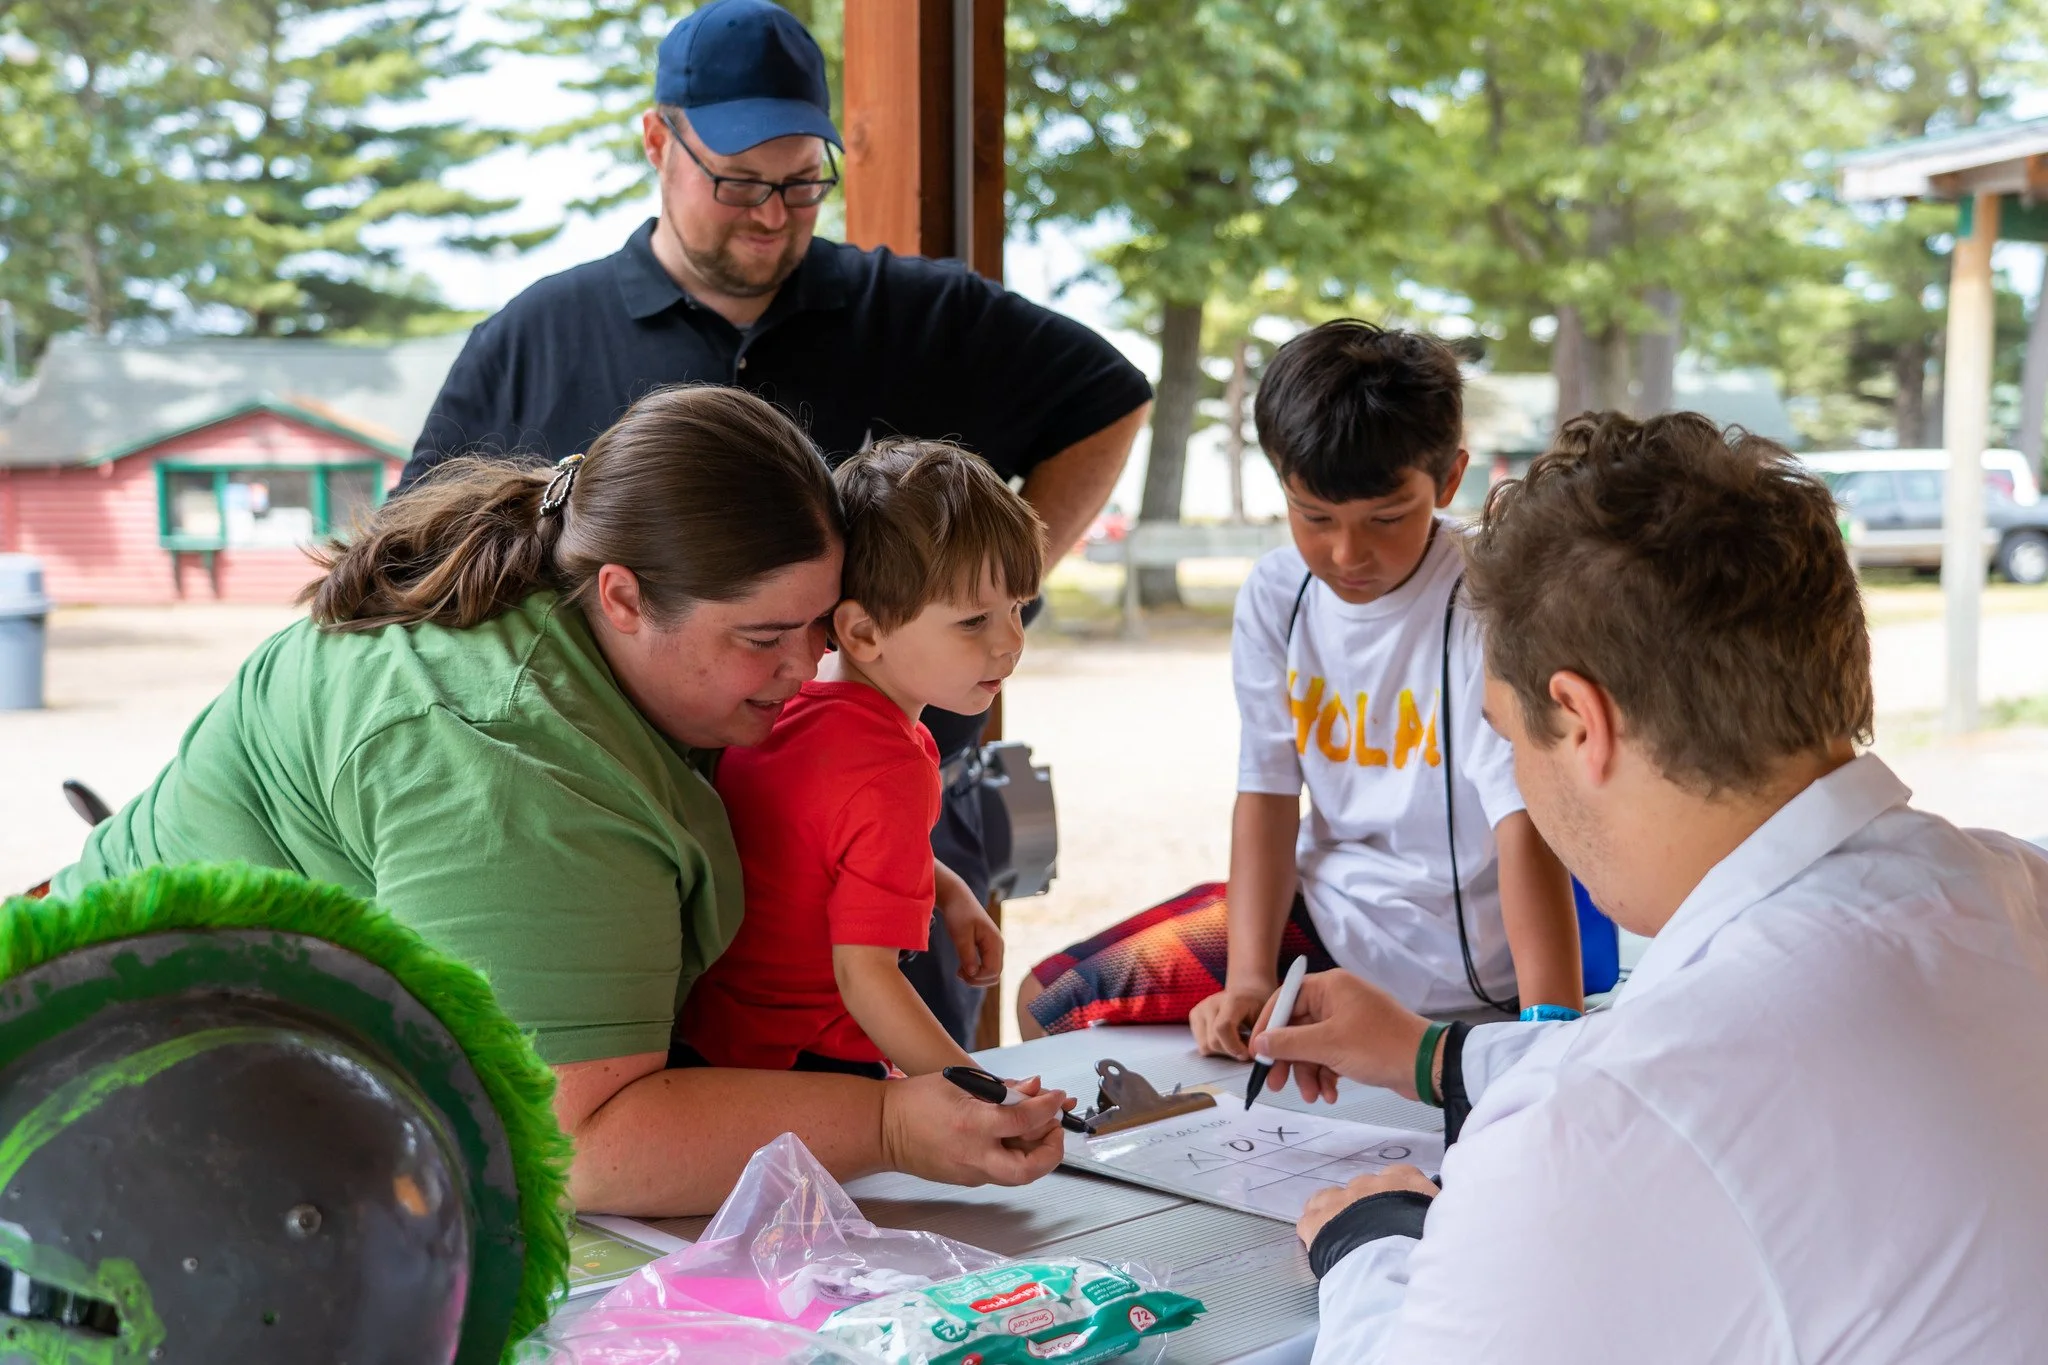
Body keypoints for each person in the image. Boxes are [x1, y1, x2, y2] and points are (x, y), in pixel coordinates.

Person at [48, 384, 1071, 1216]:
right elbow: (577, 1144)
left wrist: (914, 873)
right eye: (762, 638)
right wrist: (890, 1129)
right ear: (625, 597)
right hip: (124, 1112)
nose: (808, 670)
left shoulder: (564, 575)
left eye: (818, 630)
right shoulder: (513, 758)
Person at [403, 0, 1153, 1043]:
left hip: (881, 813)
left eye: (804, 184)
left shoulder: (916, 310)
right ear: (658, 141)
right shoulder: (536, 334)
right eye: (741, 183)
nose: (772, 214)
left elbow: (1107, 395)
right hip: (626, 833)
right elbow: (416, 565)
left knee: (905, 1105)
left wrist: (985, 589)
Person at [1255, 411, 2048, 1363]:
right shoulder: (2013, 888)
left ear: (1581, 722)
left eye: (1508, 737)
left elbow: (1659, 1087)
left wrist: (1368, 1237)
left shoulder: (1601, 1127)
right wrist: (1437, 1057)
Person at [1020, 321, 1583, 1045]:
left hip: (1454, 956)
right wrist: (1250, 978)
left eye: (1387, 518)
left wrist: (1550, 1030)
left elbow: (1523, 822)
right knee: (1046, 1001)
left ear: (1447, 479)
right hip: (1320, 916)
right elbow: (1268, 790)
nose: (1348, 552)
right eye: (1313, 516)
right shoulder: (1276, 593)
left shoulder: (1483, 602)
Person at [680, 441, 1043, 1078]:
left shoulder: (795, 707)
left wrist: (950, 892)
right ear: (864, 632)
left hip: (716, 1042)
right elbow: (864, 977)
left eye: (1017, 609)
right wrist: (979, 1092)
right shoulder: (892, 767)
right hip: (806, 1063)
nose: (1011, 641)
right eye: (972, 621)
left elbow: (830, 851)